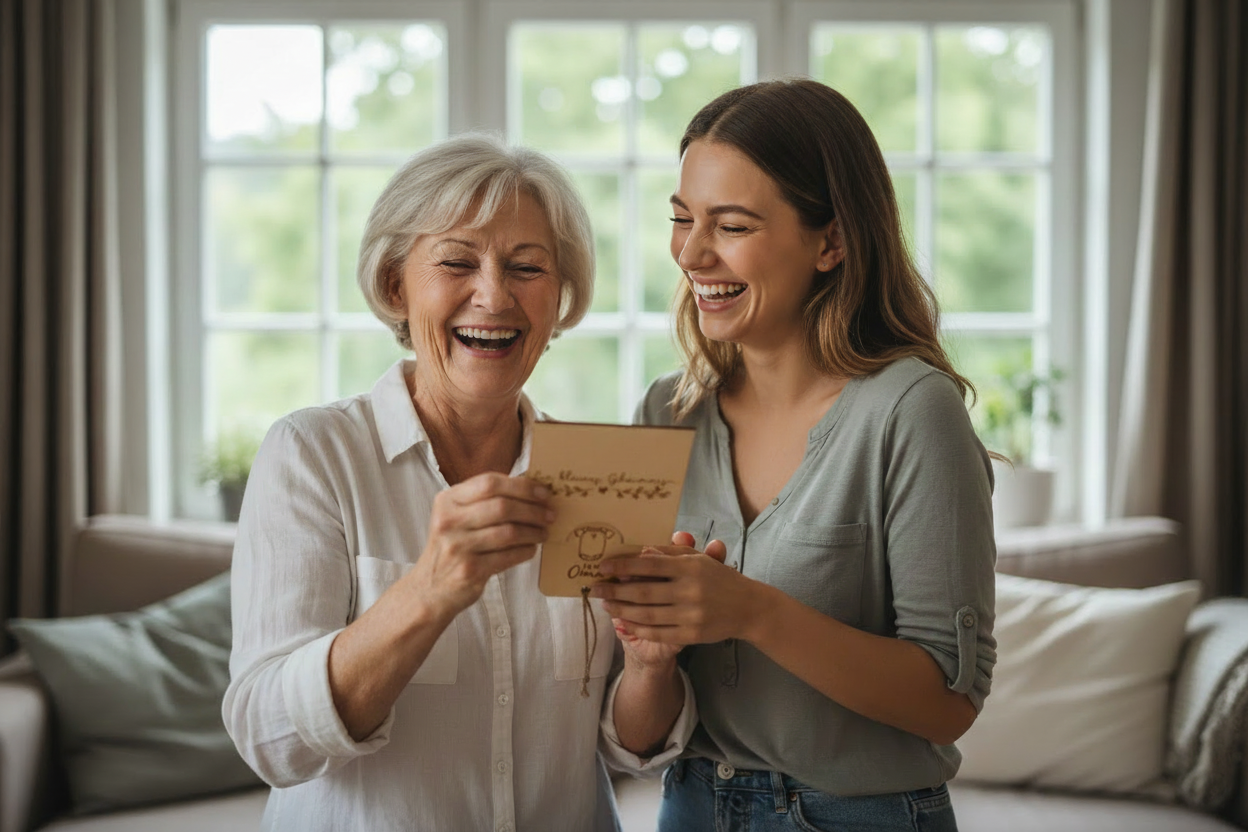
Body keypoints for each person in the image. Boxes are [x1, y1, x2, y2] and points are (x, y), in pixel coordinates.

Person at [224, 133, 695, 832]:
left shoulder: (599, 477)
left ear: (560, 295)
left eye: (527, 267)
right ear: (394, 285)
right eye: (456, 262)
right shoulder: (313, 455)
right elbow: (269, 739)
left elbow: (624, 747)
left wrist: (653, 666)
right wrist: (428, 588)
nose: (494, 295)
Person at [590, 79, 997, 832]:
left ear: (831, 241)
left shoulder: (912, 413)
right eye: (681, 219)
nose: (691, 252)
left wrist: (752, 611)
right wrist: (649, 661)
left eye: (732, 225)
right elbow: (639, 737)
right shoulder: (664, 414)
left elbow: (947, 703)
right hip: (691, 806)